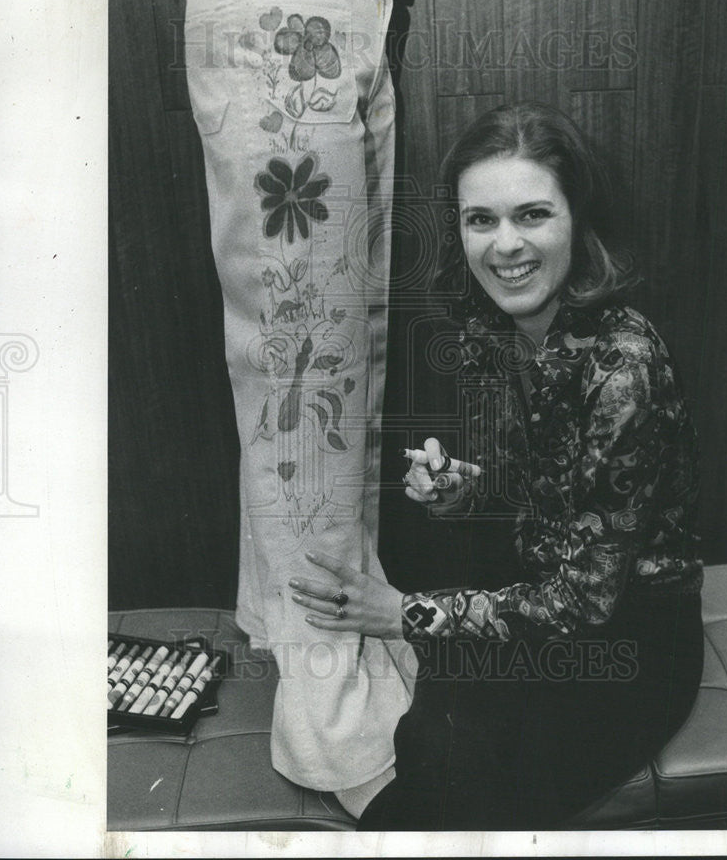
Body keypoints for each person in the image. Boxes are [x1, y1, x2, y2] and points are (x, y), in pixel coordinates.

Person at [108, 0, 438, 817]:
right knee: (305, 354)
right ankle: (329, 710)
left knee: (346, 352)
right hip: (278, 6)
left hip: (365, 5)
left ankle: (315, 626)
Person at [288, 101, 705, 830]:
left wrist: (404, 615)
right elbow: (552, 483)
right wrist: (463, 490)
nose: (504, 245)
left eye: (532, 215)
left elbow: (583, 604)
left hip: (626, 646)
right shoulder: (499, 323)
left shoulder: (621, 368)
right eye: (480, 220)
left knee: (445, 792)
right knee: (431, 743)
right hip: (540, 593)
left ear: (578, 219)